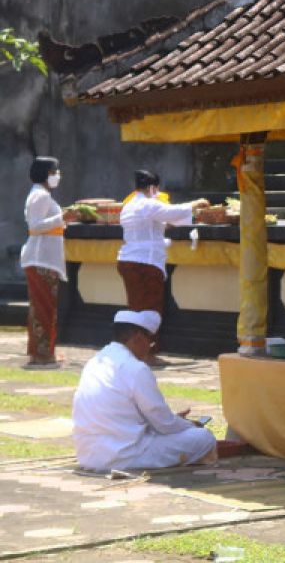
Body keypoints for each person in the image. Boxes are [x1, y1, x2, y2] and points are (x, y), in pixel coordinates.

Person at [73, 310, 217, 472]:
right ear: (138, 338)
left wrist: (174, 421)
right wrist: (190, 424)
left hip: (88, 455)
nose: (150, 348)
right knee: (204, 438)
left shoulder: (95, 362)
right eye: (150, 342)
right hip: (123, 457)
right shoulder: (135, 368)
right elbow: (164, 424)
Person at [117, 170, 208, 367]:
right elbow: (173, 213)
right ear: (152, 187)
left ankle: (136, 352)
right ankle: (146, 354)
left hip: (128, 261)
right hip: (146, 264)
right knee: (149, 311)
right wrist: (196, 203)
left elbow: (158, 224)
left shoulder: (129, 205)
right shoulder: (148, 204)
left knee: (136, 308)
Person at [21, 157, 66, 369]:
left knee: (43, 308)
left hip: (46, 259)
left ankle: (42, 351)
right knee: (43, 308)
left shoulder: (42, 195)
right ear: (45, 173)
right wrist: (63, 217)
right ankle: (42, 354)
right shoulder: (40, 196)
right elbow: (35, 226)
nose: (57, 175)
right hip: (41, 259)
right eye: (54, 171)